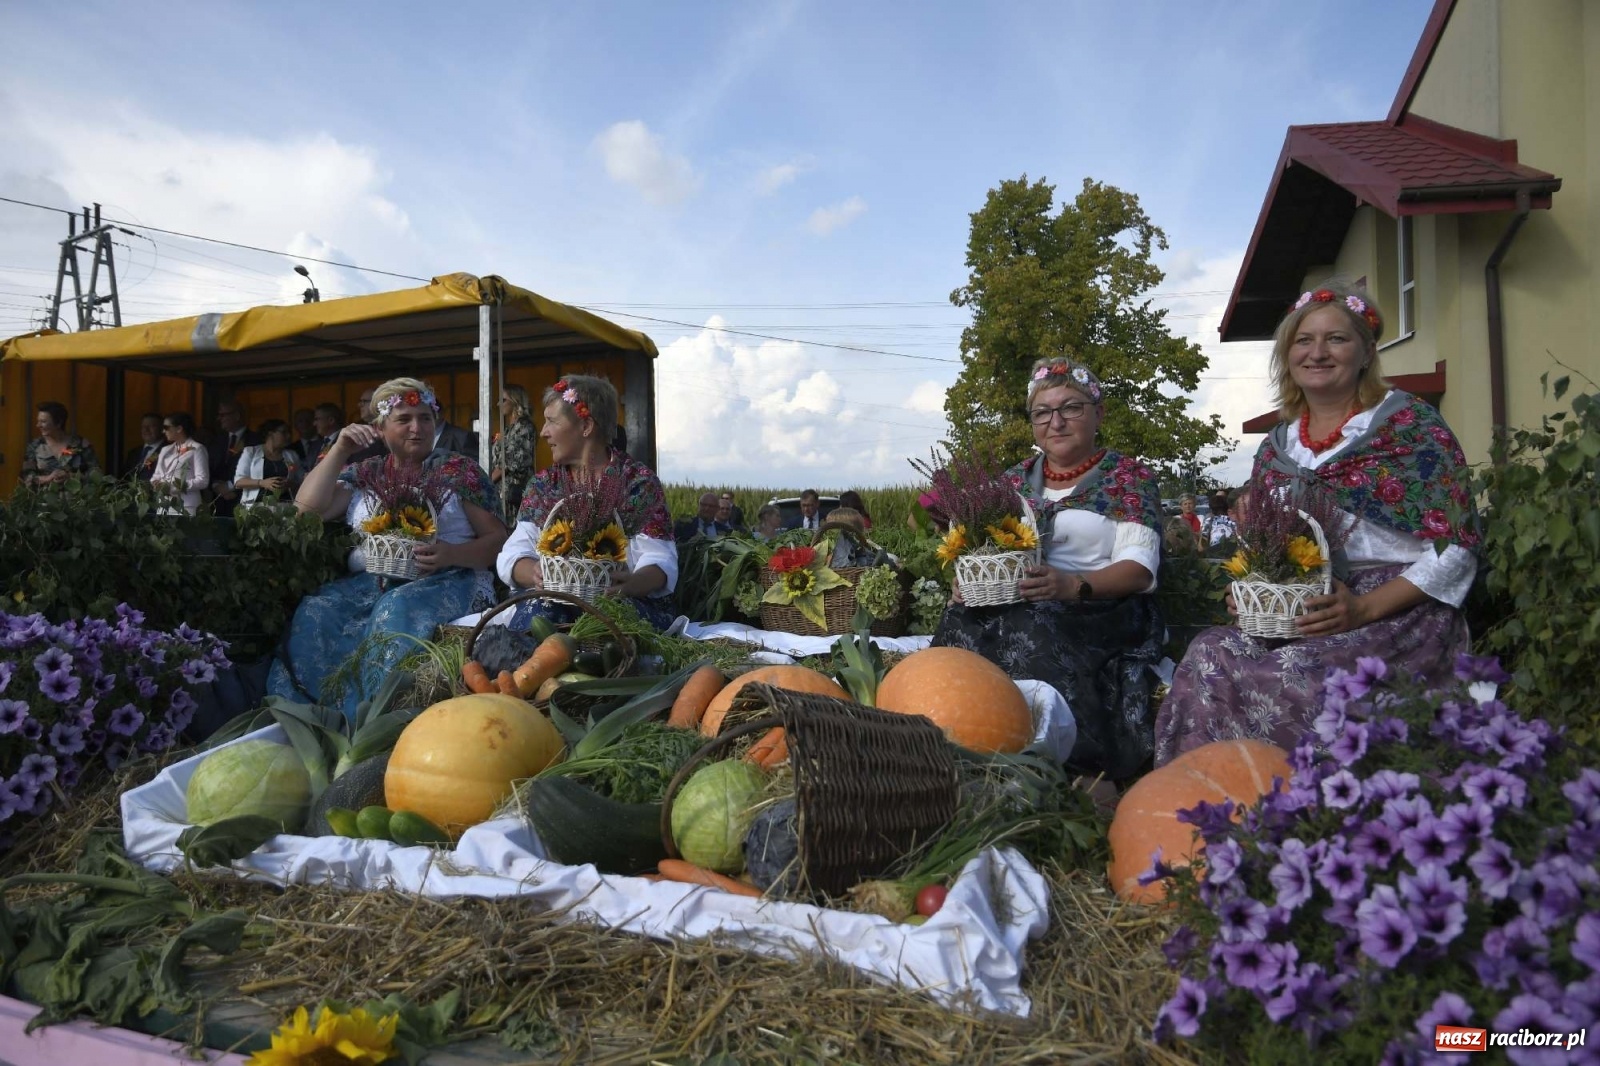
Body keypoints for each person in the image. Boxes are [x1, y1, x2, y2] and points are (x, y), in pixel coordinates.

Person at [1155, 282, 1479, 764]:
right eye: (1303, 341)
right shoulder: (1278, 448)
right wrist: (1252, 589)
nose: (1317, 352)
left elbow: (1457, 548)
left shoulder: (1412, 428)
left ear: (1366, 352)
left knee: (1293, 672)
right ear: (1287, 356)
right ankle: (1207, 805)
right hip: (1303, 606)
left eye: (1337, 339)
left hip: (1398, 610)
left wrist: (1365, 608)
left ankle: (1307, 817)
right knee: (1207, 654)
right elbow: (1265, 549)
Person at [931, 357, 1165, 782]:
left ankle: (1069, 767)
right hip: (1025, 598)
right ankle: (948, 741)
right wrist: (968, 581)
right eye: (1043, 412)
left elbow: (1139, 571)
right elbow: (980, 545)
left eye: (1071, 407)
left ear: (1099, 412)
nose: (1056, 421)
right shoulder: (1012, 482)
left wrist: (1072, 585)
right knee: (960, 619)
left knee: (1034, 624)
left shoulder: (1128, 479)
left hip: (1102, 604)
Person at [269, 377, 506, 721]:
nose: (417, 428)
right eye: (404, 419)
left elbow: (497, 540)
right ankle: (312, 718)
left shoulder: (457, 470)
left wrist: (451, 555)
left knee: (395, 610)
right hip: (371, 583)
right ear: (380, 428)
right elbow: (306, 510)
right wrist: (340, 450)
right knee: (317, 610)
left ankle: (375, 722)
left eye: (425, 418)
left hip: (447, 578)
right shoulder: (366, 472)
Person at [498, 374, 678, 631]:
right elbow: (515, 551)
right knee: (538, 618)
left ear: (586, 426)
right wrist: (534, 573)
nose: (543, 432)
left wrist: (629, 585)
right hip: (552, 599)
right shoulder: (544, 484)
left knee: (608, 629)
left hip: (621, 600)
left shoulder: (637, 483)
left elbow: (660, 560)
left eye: (551, 421)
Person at [21, 401, 100, 489]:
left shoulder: (80, 444)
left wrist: (71, 476)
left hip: (76, 500)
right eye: (38, 421)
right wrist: (48, 478)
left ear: (58, 423)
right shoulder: (35, 446)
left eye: (43, 422)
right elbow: (26, 476)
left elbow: (96, 475)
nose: (38, 425)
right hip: (44, 500)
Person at [209, 400, 262, 517]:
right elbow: (209, 467)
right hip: (218, 503)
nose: (219, 419)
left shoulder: (255, 440)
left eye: (223, 415)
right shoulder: (217, 440)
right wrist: (216, 486)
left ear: (237, 416)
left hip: (242, 500)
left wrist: (229, 486)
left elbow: (257, 470)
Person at [150, 412, 210, 515]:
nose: (163, 431)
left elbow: (203, 480)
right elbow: (157, 475)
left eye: (166, 427)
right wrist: (155, 483)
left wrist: (173, 486)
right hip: (164, 505)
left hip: (186, 506)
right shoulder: (165, 450)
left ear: (179, 428)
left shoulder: (197, 448)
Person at [233, 419, 303, 506]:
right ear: (270, 434)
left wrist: (290, 484)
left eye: (289, 432)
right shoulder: (251, 452)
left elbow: (301, 480)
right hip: (256, 506)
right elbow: (238, 482)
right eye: (284, 432)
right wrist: (262, 483)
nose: (288, 436)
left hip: (285, 507)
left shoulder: (292, 455)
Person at [491, 384, 537, 517]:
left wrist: (487, 482)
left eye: (503, 400)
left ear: (516, 401)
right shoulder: (507, 429)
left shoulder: (524, 426)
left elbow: (510, 461)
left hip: (514, 494)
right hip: (501, 494)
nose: (499, 404)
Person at [124, 413, 164, 481]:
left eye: (151, 426)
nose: (146, 430)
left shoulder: (169, 450)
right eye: (143, 426)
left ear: (162, 429)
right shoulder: (133, 453)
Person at [308, 403, 343, 467]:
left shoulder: (347, 441)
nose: (314, 424)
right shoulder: (314, 445)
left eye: (317, 419)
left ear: (331, 420)